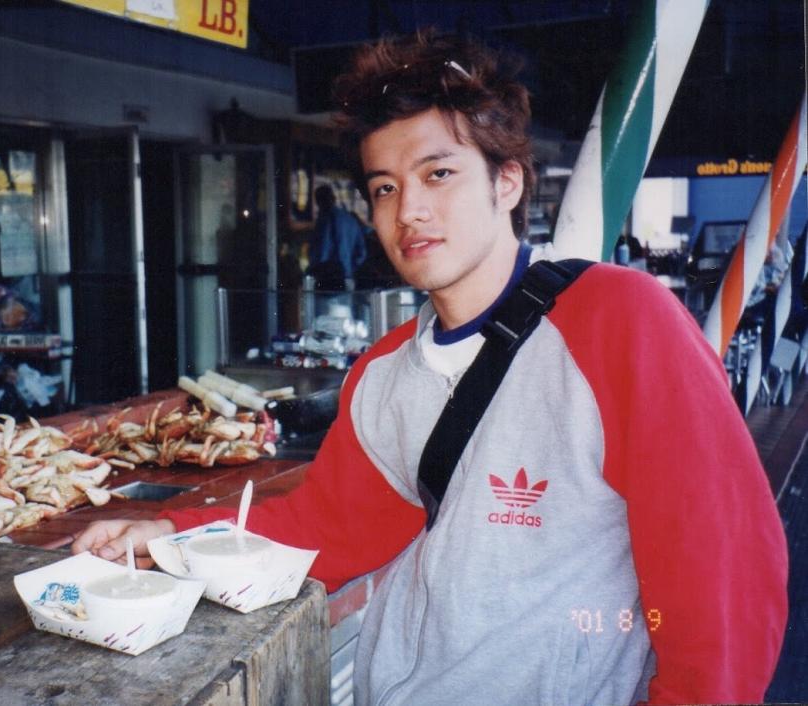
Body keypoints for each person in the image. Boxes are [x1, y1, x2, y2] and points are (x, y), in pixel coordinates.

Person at [73, 30, 787, 706]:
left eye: (438, 174)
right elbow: (332, 526)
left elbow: (719, 571)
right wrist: (171, 534)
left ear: (508, 183)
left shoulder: (620, 321)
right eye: (384, 187)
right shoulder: (383, 374)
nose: (408, 210)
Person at [307, 184, 368, 290]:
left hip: (327, 280)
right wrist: (349, 269)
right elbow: (361, 253)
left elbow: (322, 251)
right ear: (334, 198)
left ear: (319, 201)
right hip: (348, 277)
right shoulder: (351, 220)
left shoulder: (324, 220)